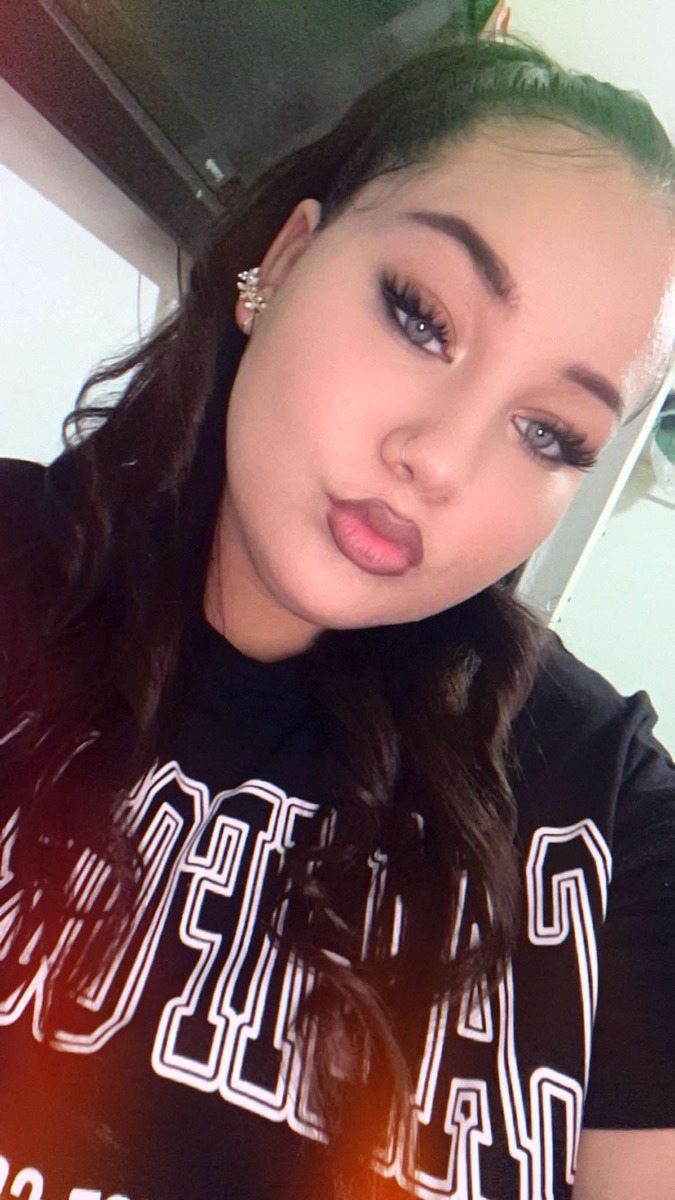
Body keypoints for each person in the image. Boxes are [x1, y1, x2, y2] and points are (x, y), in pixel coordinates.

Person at [0, 34, 674, 1200]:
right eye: (421, 316)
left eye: (550, 432)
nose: (441, 459)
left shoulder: (607, 820)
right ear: (286, 258)